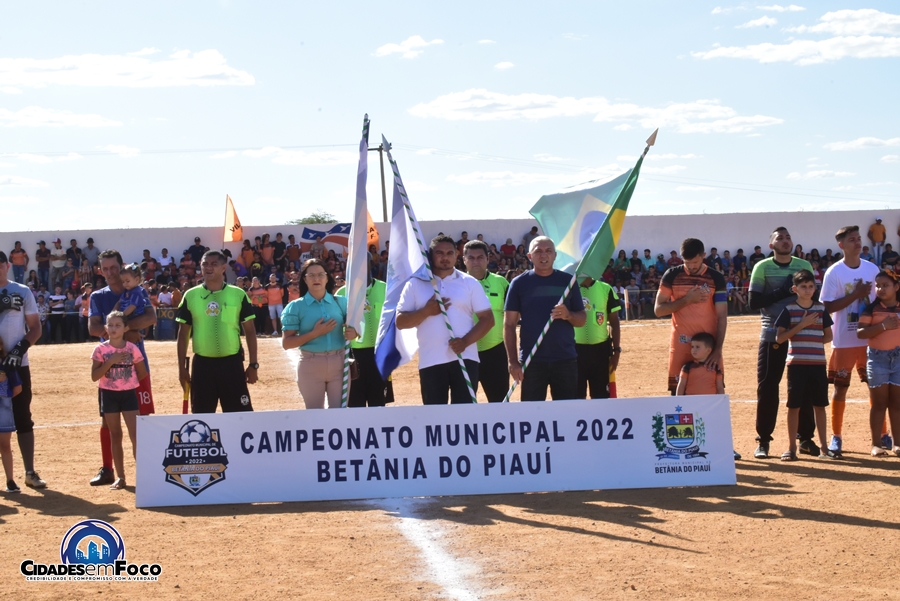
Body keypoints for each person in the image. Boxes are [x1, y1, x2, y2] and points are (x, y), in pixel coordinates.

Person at [88, 249, 157, 486]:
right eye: (104, 269)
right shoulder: (98, 296)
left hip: (137, 366)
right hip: (109, 371)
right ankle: (108, 468)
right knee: (108, 422)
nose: (109, 273)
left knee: (143, 419)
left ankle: (147, 469)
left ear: (122, 266)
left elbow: (151, 318)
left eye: (113, 268)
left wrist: (121, 328)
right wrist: (127, 330)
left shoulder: (137, 290)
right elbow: (93, 328)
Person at [397, 236, 493, 404]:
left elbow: (488, 319)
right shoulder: (415, 284)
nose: (445, 257)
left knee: (464, 416)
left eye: (449, 253)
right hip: (431, 361)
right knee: (434, 418)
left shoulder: (469, 283)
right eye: (439, 253)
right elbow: (400, 322)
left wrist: (465, 341)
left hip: (465, 358)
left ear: (456, 255)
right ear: (430, 255)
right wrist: (426, 311)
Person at [748, 227, 815, 459]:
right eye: (780, 238)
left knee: (803, 386)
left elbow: (812, 297)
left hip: (802, 333)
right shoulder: (762, 267)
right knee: (767, 386)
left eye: (787, 237)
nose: (785, 241)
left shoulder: (804, 266)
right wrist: (782, 291)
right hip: (772, 333)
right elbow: (753, 302)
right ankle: (764, 440)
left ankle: (805, 438)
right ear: (771, 245)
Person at [820, 226, 884, 454]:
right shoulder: (834, 272)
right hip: (844, 339)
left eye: (858, 239)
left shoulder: (872, 268)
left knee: (876, 387)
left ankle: (884, 434)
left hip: (869, 339)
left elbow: (880, 301)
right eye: (852, 240)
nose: (857, 243)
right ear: (841, 245)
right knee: (840, 388)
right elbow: (827, 307)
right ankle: (836, 436)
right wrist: (856, 295)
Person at [504, 236, 585, 401]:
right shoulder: (519, 284)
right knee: (532, 415)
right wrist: (512, 361)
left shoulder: (568, 281)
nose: (543, 255)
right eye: (538, 251)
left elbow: (581, 319)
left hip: (565, 359)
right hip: (532, 361)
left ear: (555, 255)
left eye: (548, 251)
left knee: (567, 413)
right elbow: (509, 325)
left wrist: (568, 315)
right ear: (529, 256)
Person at [177, 251, 258, 413]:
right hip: (202, 367)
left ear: (223, 267)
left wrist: (253, 364)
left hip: (232, 365)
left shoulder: (238, 294)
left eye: (214, 264)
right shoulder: (190, 295)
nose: (208, 267)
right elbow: (183, 334)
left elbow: (250, 331)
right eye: (205, 264)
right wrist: (181, 368)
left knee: (239, 418)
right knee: (202, 419)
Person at [774, 270, 838, 461]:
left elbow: (829, 335)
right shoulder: (789, 310)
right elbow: (779, 338)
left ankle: (825, 448)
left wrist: (811, 343)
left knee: (820, 405)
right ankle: (791, 448)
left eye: (811, 286)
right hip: (797, 365)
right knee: (794, 406)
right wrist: (802, 326)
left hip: (817, 364)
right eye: (804, 286)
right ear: (795, 289)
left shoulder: (821, 308)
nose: (808, 290)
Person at [655, 238, 728, 395]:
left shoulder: (716, 278)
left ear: (704, 255)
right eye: (687, 262)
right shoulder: (672, 275)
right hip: (680, 346)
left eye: (695, 262)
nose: (691, 266)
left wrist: (718, 349)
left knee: (711, 390)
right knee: (678, 393)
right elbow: (659, 310)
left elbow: (722, 315)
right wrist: (687, 300)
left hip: (708, 348)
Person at [281, 259, 356, 409]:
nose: (316, 279)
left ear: (327, 278)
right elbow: (287, 343)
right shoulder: (295, 307)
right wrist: (315, 333)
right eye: (311, 275)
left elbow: (358, 327)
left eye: (321, 274)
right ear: (304, 279)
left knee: (339, 415)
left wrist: (354, 332)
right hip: (310, 366)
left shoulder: (342, 302)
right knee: (314, 417)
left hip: (339, 364)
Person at [0, 251, 45, 489]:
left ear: (7, 265)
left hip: (18, 365)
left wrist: (20, 349)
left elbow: (35, 328)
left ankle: (29, 471)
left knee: (23, 417)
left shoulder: (23, 291)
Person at [90, 311, 147, 489]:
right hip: (108, 395)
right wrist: (111, 361)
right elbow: (94, 376)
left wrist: (128, 381)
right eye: (111, 325)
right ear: (106, 328)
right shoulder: (100, 350)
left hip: (129, 394)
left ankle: (143, 475)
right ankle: (120, 477)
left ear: (125, 328)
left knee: (135, 435)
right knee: (116, 435)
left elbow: (143, 371)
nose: (114, 329)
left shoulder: (132, 348)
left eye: (118, 325)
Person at [856, 270, 900, 457]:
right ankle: (876, 444)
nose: (880, 288)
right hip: (877, 359)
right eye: (878, 285)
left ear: (896, 287)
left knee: (897, 404)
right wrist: (883, 326)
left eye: (885, 285)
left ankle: (897, 444)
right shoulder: (871, 309)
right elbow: (860, 333)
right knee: (879, 403)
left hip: (898, 359)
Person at [462, 240, 510, 402]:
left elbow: (513, 316)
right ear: (464, 260)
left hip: (495, 352)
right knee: (464, 404)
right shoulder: (455, 284)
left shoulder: (501, 283)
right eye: (471, 258)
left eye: (480, 257)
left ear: (488, 259)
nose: (476, 261)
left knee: (500, 403)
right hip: (465, 352)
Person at [335, 274, 392, 407]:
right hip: (353, 355)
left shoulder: (385, 288)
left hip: (379, 353)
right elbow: (338, 325)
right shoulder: (342, 293)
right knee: (355, 401)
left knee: (378, 400)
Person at [575, 277, 620, 399]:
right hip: (575, 352)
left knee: (601, 397)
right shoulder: (570, 289)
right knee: (576, 398)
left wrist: (617, 351)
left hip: (601, 352)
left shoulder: (606, 289)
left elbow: (614, 322)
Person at [0, 332, 23, 492]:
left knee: (5, 445)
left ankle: (10, 480)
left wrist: (5, 397)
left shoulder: (6, 364)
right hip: (4, 407)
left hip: (3, 409)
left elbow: (18, 387)